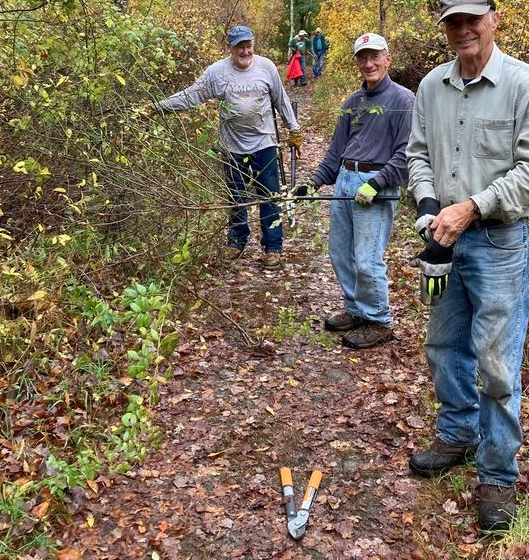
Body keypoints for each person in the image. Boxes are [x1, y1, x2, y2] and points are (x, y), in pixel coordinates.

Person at [406, 0, 529, 533]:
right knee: (443, 346)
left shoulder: (523, 85)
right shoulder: (430, 87)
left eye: (472, 19)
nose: (462, 29)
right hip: (444, 240)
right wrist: (428, 207)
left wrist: (472, 207)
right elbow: (417, 153)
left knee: (496, 361)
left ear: (493, 19)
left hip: (499, 243)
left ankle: (497, 473)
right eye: (452, 22)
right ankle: (458, 434)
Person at [293, 33, 414, 349]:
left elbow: (406, 154)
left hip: (376, 184)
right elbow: (336, 152)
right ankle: (356, 309)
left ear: (388, 58)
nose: (369, 63)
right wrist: (313, 182)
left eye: (375, 56)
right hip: (346, 181)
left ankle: (379, 320)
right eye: (363, 57)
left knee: (366, 258)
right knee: (339, 253)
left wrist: (376, 184)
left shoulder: (403, 101)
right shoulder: (353, 103)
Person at [150, 25, 302, 272]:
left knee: (269, 196)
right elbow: (191, 95)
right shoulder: (217, 73)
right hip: (232, 146)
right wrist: (158, 107)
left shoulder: (266, 68)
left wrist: (294, 129)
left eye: (248, 45)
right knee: (236, 197)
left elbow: (281, 100)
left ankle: (273, 248)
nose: (245, 50)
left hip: (264, 143)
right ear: (230, 47)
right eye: (240, 46)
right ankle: (237, 241)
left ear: (253, 44)